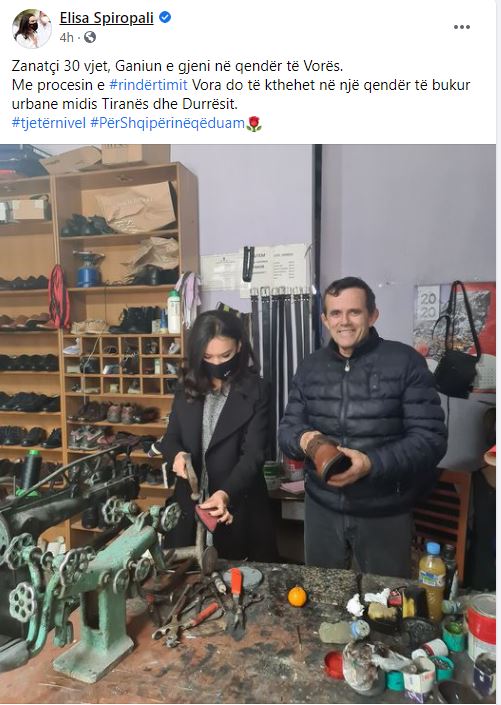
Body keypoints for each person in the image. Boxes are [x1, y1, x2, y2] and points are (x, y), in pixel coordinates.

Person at [278, 276, 447, 577]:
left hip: (384, 510)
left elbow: (430, 439)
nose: (344, 321)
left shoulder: (405, 362)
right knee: (322, 593)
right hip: (321, 507)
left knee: (386, 597)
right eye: (335, 313)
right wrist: (305, 440)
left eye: (354, 312)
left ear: (372, 315)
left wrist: (371, 463)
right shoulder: (310, 367)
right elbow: (288, 428)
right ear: (325, 319)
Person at [157, 309, 277, 561]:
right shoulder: (186, 386)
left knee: (238, 576)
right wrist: (176, 456)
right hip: (189, 508)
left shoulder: (257, 390)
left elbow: (254, 454)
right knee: (185, 573)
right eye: (208, 357)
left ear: (239, 347)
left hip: (238, 507)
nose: (217, 363)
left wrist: (226, 493)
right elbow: (171, 438)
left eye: (225, 355)